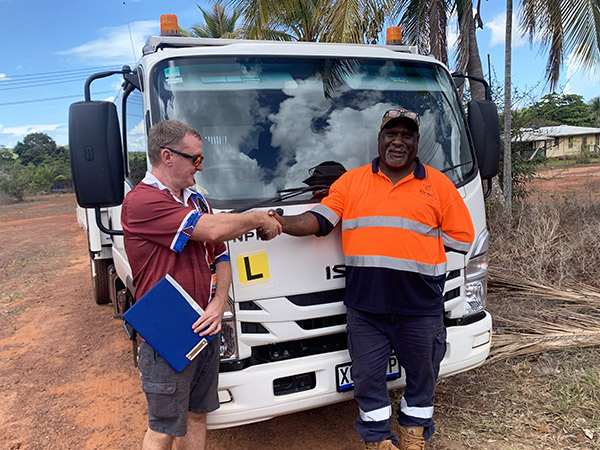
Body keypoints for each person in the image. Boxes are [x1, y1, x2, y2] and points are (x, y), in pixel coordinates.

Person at [266, 108, 474, 450]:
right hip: (366, 309)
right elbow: (319, 220)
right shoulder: (351, 182)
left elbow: (461, 240)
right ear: (379, 139)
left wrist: (416, 248)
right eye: (391, 134)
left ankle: (413, 433)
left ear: (416, 142)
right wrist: (281, 222)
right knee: (367, 379)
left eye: (407, 135)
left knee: (423, 376)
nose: (398, 141)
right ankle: (378, 440)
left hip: (420, 307)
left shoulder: (439, 185)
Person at [121, 120, 282, 450]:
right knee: (163, 427)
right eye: (195, 158)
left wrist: (218, 301)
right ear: (167, 157)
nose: (202, 165)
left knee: (197, 415)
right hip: (168, 329)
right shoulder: (143, 202)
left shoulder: (196, 200)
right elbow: (212, 231)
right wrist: (257, 218)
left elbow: (220, 254)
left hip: (205, 323)